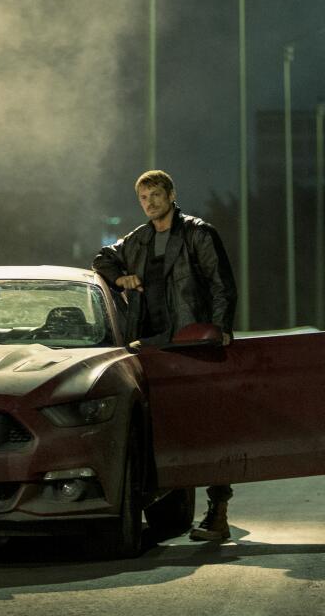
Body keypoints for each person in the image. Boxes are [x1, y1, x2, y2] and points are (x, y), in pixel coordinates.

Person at [92, 169, 238, 541]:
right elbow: (102, 258)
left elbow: (222, 284)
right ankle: (169, 506)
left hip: (193, 342)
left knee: (209, 427)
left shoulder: (197, 233)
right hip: (151, 345)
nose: (150, 203)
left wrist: (219, 331)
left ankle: (217, 511)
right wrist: (120, 278)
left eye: (156, 194)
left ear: (172, 194)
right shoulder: (137, 240)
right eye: (143, 197)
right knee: (165, 427)